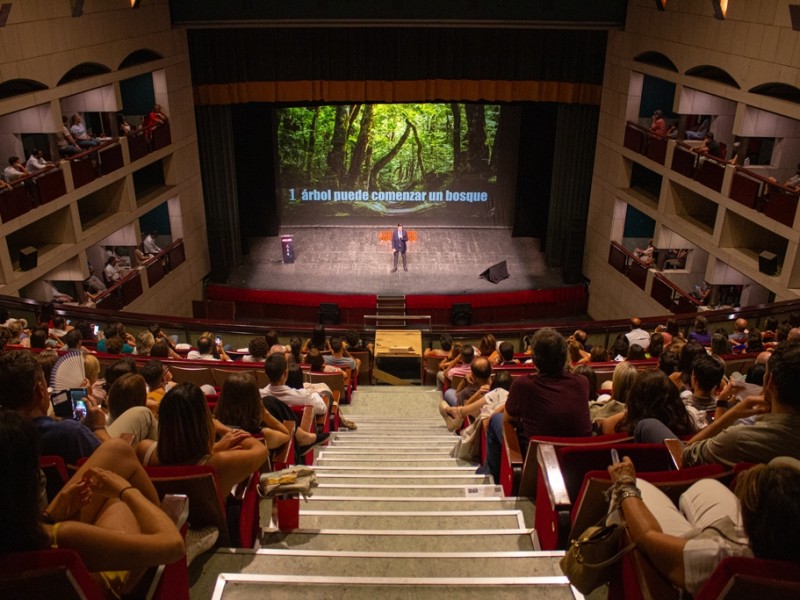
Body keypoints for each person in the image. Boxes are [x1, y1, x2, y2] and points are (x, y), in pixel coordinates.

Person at [0, 409, 185, 595]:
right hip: (107, 583)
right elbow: (174, 546)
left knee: (116, 451)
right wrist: (126, 491)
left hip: (37, 538)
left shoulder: (17, 537)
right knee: (117, 500)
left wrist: (49, 516)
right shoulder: (64, 537)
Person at [604, 455, 800, 596]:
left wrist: (626, 484)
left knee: (640, 486)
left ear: (751, 523)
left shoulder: (724, 560)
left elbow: (647, 535)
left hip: (688, 566)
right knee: (707, 485)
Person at [483, 328, 591, 483]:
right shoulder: (582, 382)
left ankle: (493, 476)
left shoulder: (523, 385)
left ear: (534, 359)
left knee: (495, 420)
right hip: (575, 466)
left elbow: (507, 420)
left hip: (536, 463)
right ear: (564, 355)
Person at [136, 382, 268, 495]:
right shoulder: (218, 463)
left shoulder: (144, 450)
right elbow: (261, 450)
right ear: (204, 422)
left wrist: (213, 449)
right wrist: (225, 429)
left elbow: (182, 460)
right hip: (212, 523)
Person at [214, 372, 291, 450]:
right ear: (255, 401)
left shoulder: (212, 428)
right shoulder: (264, 434)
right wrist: (266, 414)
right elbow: (287, 435)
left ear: (223, 399)